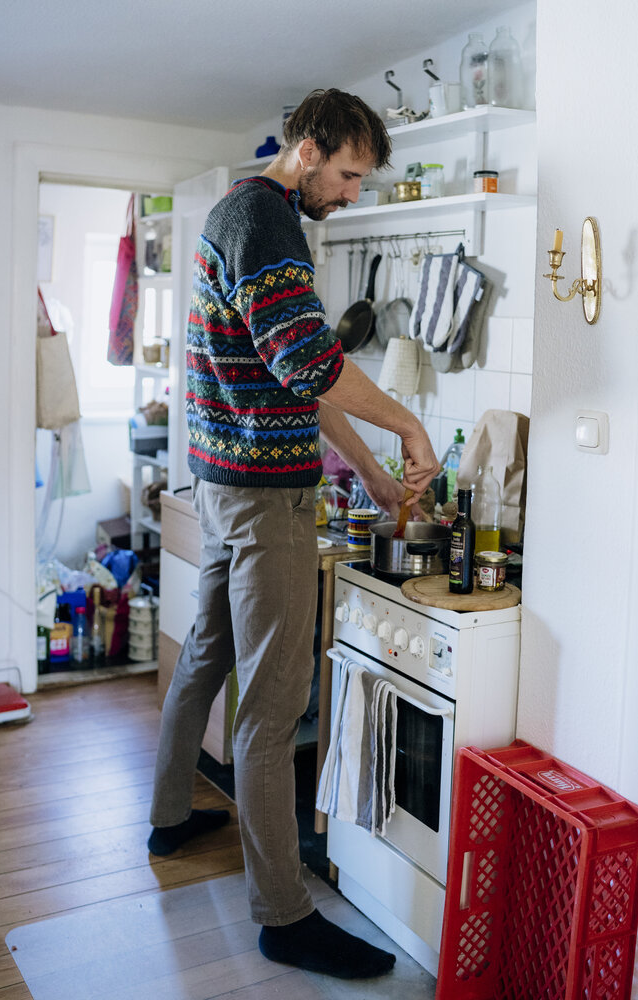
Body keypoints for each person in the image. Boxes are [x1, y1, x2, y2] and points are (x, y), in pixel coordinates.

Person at [148, 88, 440, 980]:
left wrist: (381, 477)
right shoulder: (266, 222)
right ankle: (283, 915)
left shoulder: (239, 213)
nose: (351, 193)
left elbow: (299, 382)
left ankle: (167, 818)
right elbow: (313, 362)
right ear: (308, 150)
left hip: (226, 481)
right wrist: (411, 430)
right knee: (274, 708)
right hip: (265, 497)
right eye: (348, 174)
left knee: (206, 654)